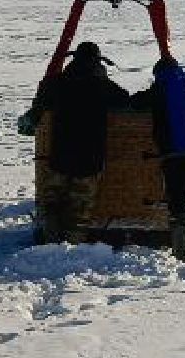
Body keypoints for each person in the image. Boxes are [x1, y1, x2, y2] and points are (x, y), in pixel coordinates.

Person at [30, 42, 128, 245]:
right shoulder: (102, 85)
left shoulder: (58, 82)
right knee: (79, 212)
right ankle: (72, 249)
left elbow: (41, 98)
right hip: (89, 158)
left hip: (61, 155)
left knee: (52, 206)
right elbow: (126, 100)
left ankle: (49, 247)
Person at [135, 55, 185, 261]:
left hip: (173, 150)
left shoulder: (161, 87)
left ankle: (181, 254)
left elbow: (138, 102)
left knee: (177, 201)